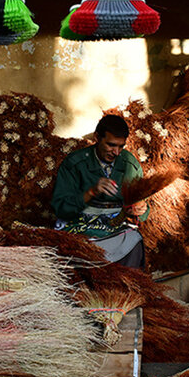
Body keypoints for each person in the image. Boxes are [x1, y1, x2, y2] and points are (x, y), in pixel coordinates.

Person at [51, 114, 149, 268]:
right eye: (111, 145)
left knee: (134, 240)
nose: (116, 152)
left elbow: (142, 213)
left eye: (121, 146)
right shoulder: (75, 164)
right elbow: (61, 209)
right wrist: (91, 192)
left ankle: (128, 290)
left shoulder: (129, 164)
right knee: (79, 252)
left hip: (113, 230)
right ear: (97, 137)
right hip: (80, 228)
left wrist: (140, 209)